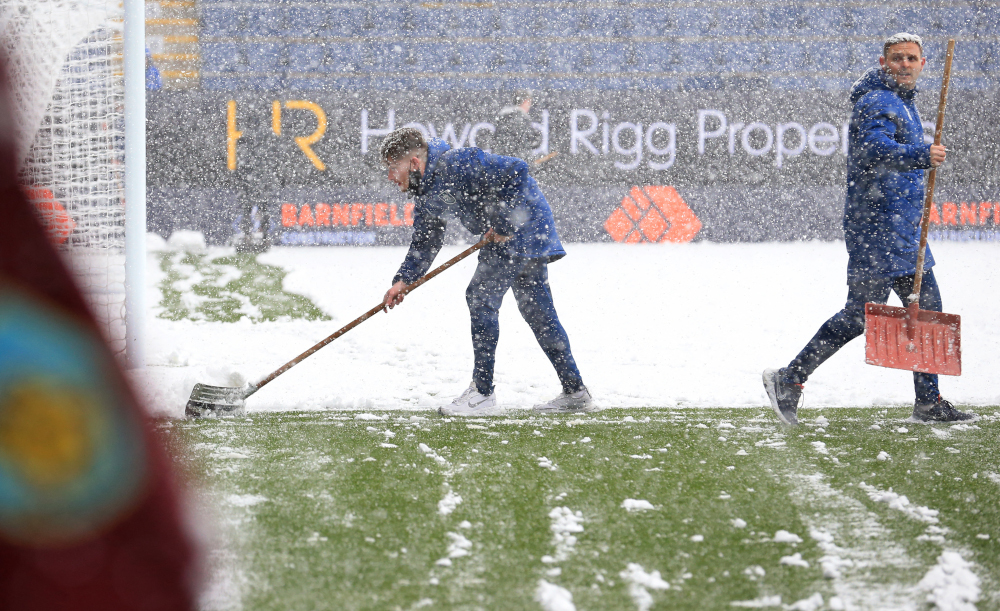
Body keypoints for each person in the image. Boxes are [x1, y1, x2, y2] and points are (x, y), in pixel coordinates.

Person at [763, 32, 973, 425]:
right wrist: (921, 154)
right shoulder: (877, 101)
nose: (905, 65)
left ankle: (927, 401)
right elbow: (874, 151)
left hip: (901, 229)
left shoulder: (902, 103)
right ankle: (789, 379)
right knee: (880, 315)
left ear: (923, 64)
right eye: (898, 58)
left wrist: (917, 162)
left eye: (912, 58)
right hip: (879, 230)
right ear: (884, 63)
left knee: (906, 314)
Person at [379, 127, 591, 416]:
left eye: (394, 168)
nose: (391, 176)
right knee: (538, 312)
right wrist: (404, 280)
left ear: (414, 163)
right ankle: (575, 390)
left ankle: (482, 393)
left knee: (480, 297)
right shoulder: (427, 193)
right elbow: (426, 241)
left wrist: (505, 224)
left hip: (522, 227)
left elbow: (518, 169)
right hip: (521, 232)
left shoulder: (456, 163)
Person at [491, 89, 541, 162]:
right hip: (516, 163)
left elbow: (495, 141)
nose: (529, 105)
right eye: (529, 102)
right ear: (525, 102)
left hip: (500, 163)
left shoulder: (503, 117)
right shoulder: (522, 119)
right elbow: (528, 143)